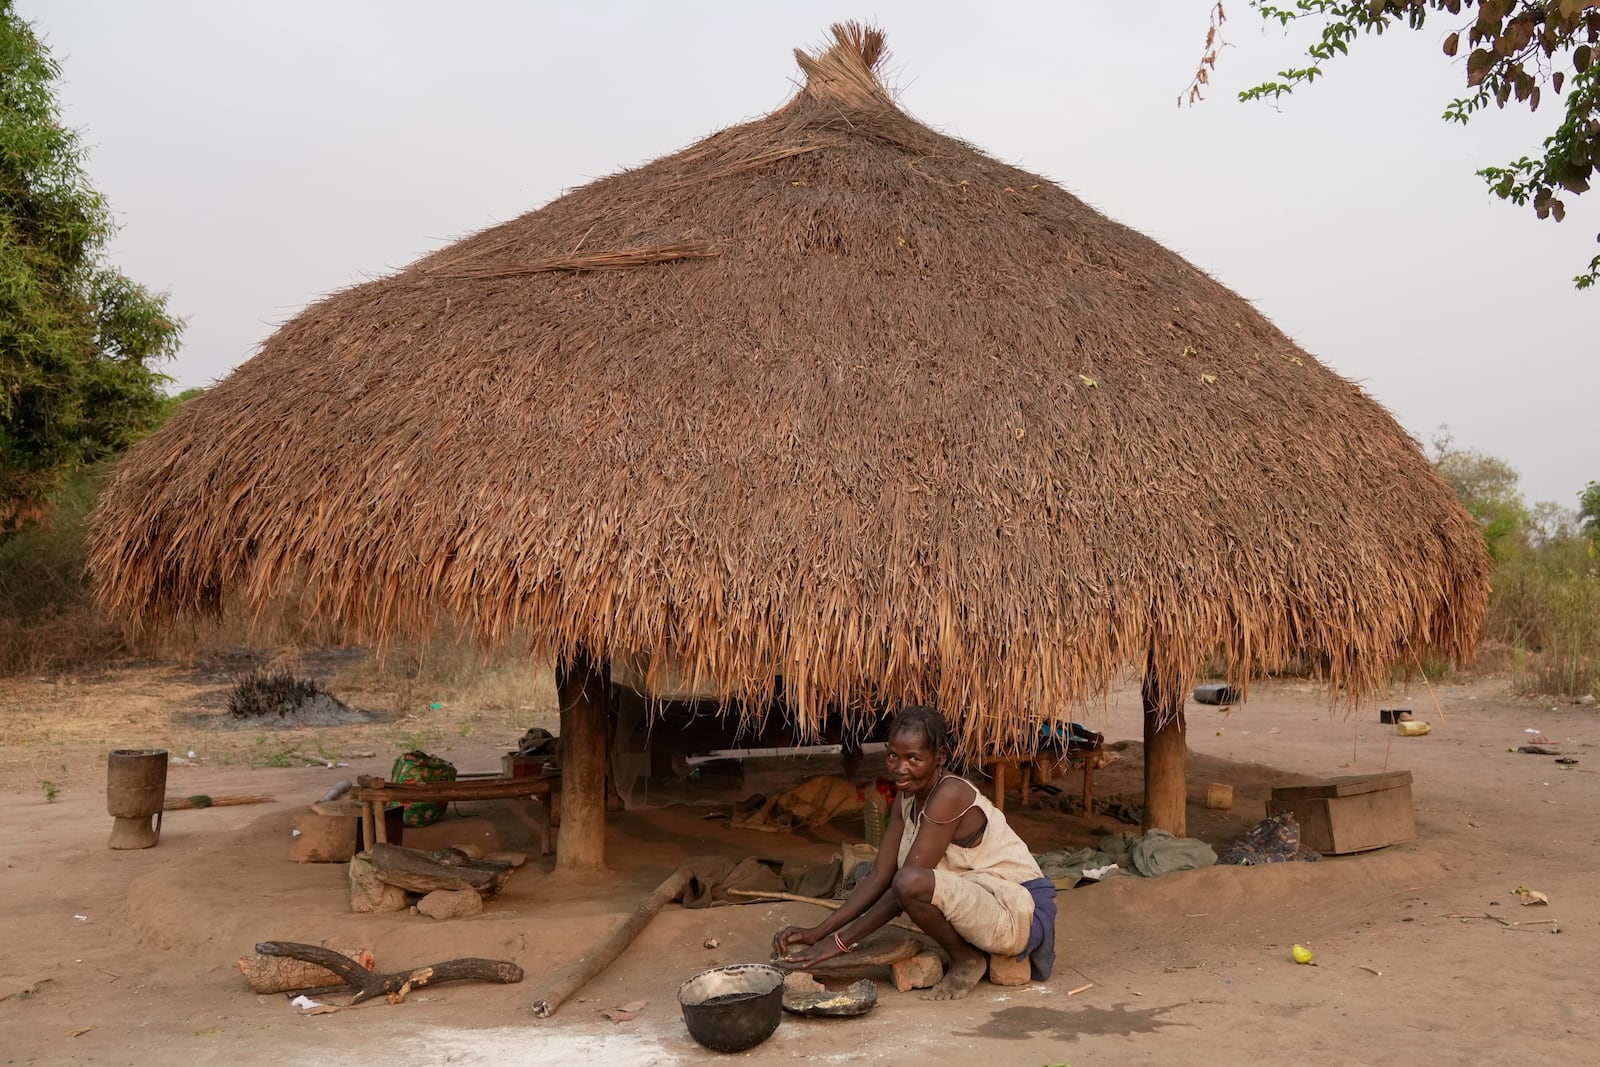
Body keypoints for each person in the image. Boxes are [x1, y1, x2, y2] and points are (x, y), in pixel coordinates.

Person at [772, 705, 1056, 999]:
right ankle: (971, 951)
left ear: (940, 757)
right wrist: (817, 932)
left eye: (914, 758)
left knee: (909, 885)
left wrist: (839, 943)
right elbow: (880, 876)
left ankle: (968, 959)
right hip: (982, 901)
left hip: (1019, 911)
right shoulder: (906, 796)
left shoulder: (950, 794)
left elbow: (901, 888)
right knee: (896, 881)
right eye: (893, 755)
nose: (900, 767)